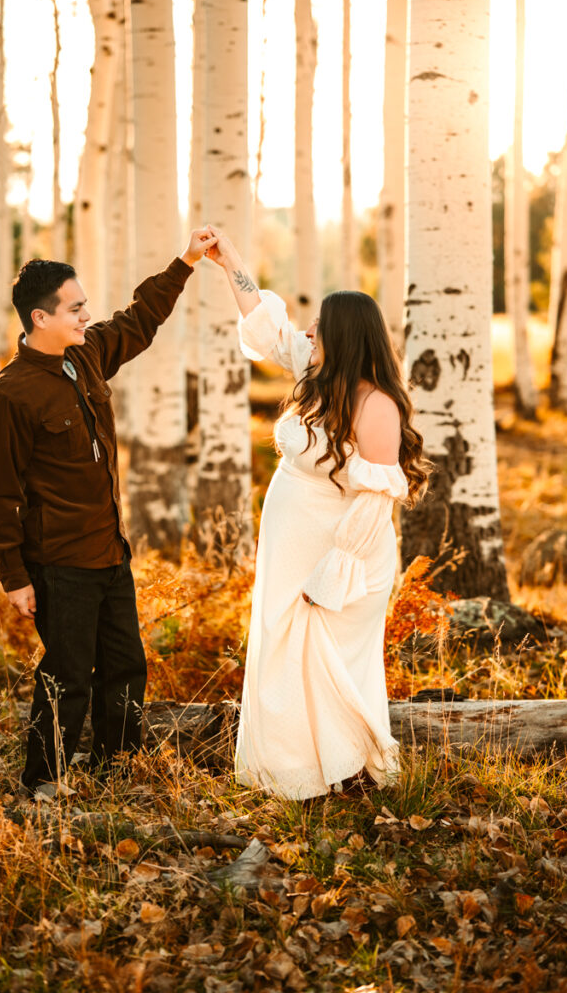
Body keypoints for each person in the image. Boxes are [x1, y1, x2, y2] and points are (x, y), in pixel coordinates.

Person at [0, 229, 217, 799]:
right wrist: (13, 576)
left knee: (126, 667)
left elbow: (139, 320)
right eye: (75, 307)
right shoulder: (10, 396)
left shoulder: (83, 358)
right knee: (67, 679)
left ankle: (118, 770)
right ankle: (44, 783)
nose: (87, 315)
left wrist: (183, 261)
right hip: (59, 564)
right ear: (40, 317)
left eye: (85, 305)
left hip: (110, 552)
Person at [205, 226, 429, 800]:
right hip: (291, 549)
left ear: (345, 339)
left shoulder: (375, 404)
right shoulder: (320, 371)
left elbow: (374, 501)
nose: (307, 334)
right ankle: (288, 773)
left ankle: (342, 773)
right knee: (280, 651)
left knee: (325, 662)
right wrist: (230, 260)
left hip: (342, 558)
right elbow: (268, 328)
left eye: (319, 328)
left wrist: (332, 575)